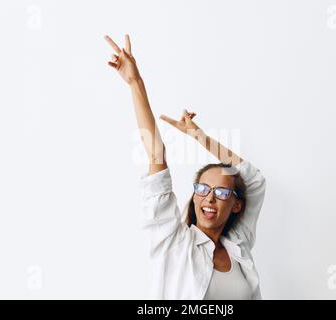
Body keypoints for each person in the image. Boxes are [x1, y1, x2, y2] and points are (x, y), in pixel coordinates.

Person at [105, 34, 266, 300]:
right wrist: (135, 83)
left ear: (236, 205)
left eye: (222, 192)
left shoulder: (238, 244)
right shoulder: (175, 242)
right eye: (203, 188)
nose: (210, 198)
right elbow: (157, 154)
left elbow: (254, 179)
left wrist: (197, 135)